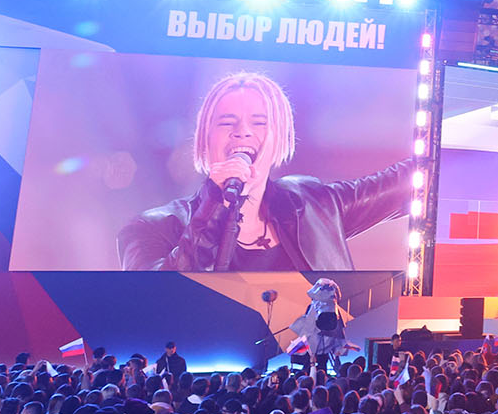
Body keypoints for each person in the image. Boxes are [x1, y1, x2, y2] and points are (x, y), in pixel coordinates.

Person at [118, 71, 415, 271]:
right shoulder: (152, 228)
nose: (242, 132)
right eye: (226, 122)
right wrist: (213, 205)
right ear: (204, 139)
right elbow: (156, 302)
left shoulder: (316, 205)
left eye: (259, 123)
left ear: (279, 138)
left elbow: (406, 183)